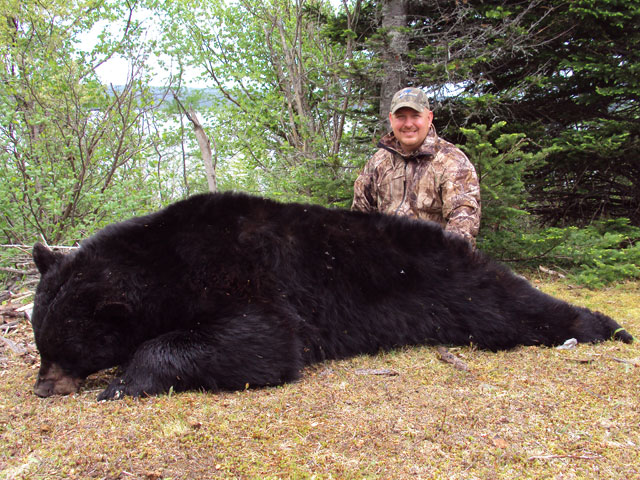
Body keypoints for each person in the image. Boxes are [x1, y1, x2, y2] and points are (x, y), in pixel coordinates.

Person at [352, 87, 481, 246]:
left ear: (429, 117)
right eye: (401, 117)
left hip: (434, 262)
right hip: (385, 261)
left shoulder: (452, 162)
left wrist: (436, 264)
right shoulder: (378, 162)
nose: (408, 124)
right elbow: (359, 221)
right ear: (391, 119)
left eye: (415, 116)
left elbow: (463, 228)